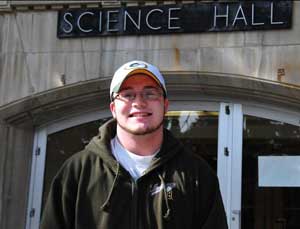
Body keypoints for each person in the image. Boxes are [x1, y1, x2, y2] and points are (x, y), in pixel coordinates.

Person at [40, 60, 228, 229]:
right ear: (113, 109)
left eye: (150, 93)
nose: (139, 102)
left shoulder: (196, 174)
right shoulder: (77, 172)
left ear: (165, 105)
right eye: (128, 95)